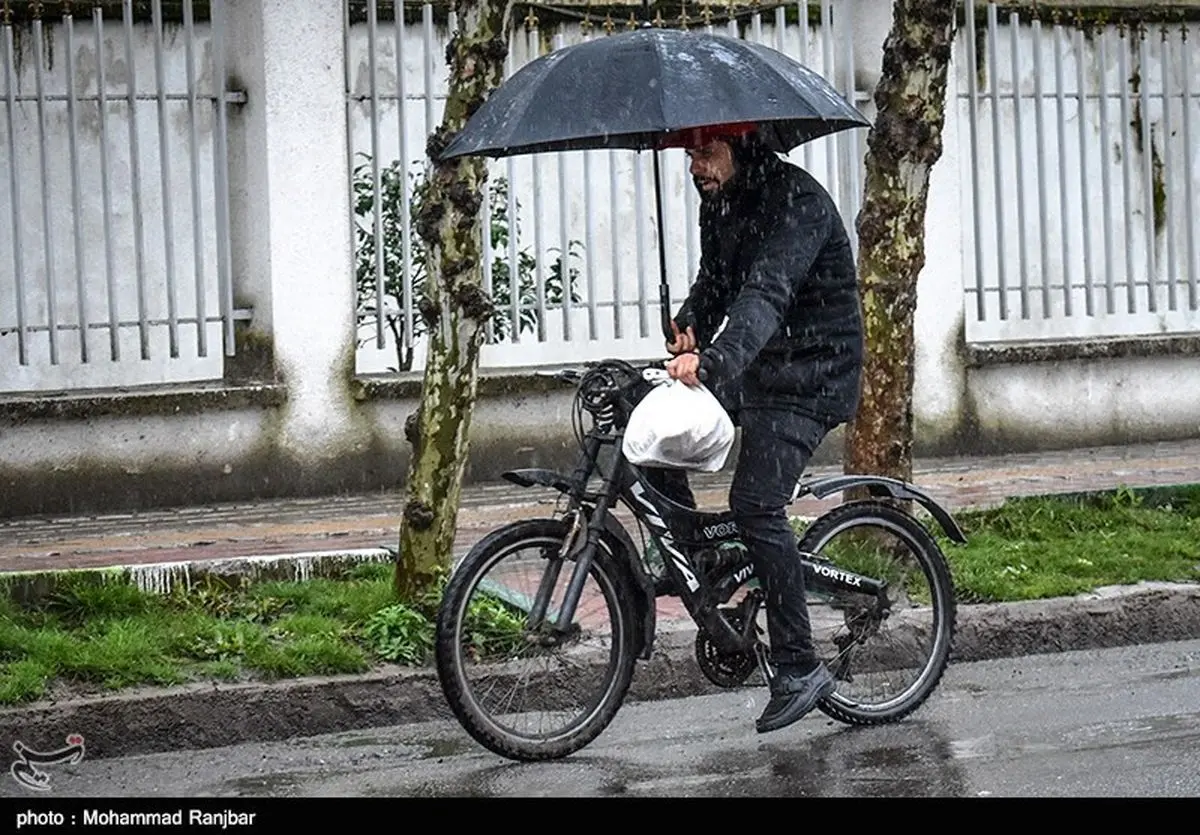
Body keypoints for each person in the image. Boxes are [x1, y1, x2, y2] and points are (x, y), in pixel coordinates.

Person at [651, 121, 864, 734]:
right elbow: (720, 283)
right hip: (758, 366)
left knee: (755, 502)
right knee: (654, 431)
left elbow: (765, 295)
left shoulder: (798, 203)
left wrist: (714, 361)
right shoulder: (721, 202)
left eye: (708, 151)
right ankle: (707, 564)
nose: (696, 166)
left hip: (812, 376)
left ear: (742, 145)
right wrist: (691, 322)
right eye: (691, 153)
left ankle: (798, 663)